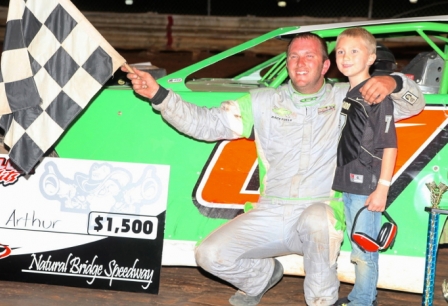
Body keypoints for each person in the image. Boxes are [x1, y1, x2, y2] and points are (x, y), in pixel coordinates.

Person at [122, 32, 424, 306]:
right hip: (270, 211)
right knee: (208, 255)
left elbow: (414, 104)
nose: (300, 62)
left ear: (324, 66)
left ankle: (323, 301)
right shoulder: (262, 101)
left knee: (318, 221)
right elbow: (205, 124)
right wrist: (159, 96)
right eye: (293, 56)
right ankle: (261, 276)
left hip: (320, 210)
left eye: (310, 56)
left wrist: (394, 81)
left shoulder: (349, 97)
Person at [332, 28, 397, 306]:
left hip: (366, 185)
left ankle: (364, 302)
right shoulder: (350, 92)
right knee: (356, 244)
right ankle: (361, 295)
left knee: (365, 249)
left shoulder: (375, 95)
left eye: (354, 51)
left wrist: (382, 189)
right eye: (340, 52)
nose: (346, 57)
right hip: (348, 183)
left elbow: (389, 145)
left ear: (371, 58)